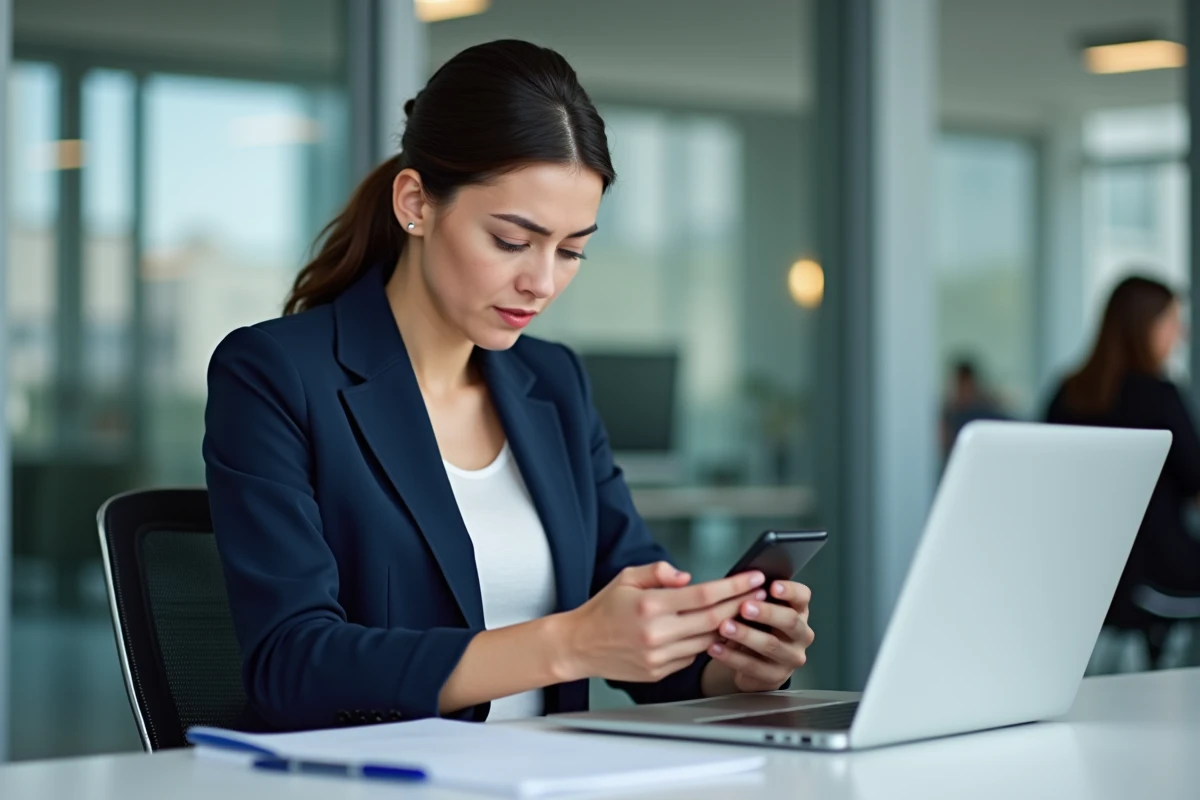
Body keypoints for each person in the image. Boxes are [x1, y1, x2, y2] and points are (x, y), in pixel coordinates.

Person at [203, 40, 815, 733]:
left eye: (572, 250)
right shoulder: (275, 374)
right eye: (511, 241)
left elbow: (640, 622)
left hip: (543, 772)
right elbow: (290, 664)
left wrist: (736, 660)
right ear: (416, 203)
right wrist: (568, 643)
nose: (543, 282)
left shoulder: (553, 383)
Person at [1045, 275, 1200, 628]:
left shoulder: (1066, 394)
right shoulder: (1160, 396)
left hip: (1084, 577)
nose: (1180, 334)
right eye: (1171, 321)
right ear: (1143, 326)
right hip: (1159, 573)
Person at [940, 357, 1009, 460]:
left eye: (965, 385)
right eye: (959, 385)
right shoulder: (949, 416)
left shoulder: (987, 412)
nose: (962, 390)